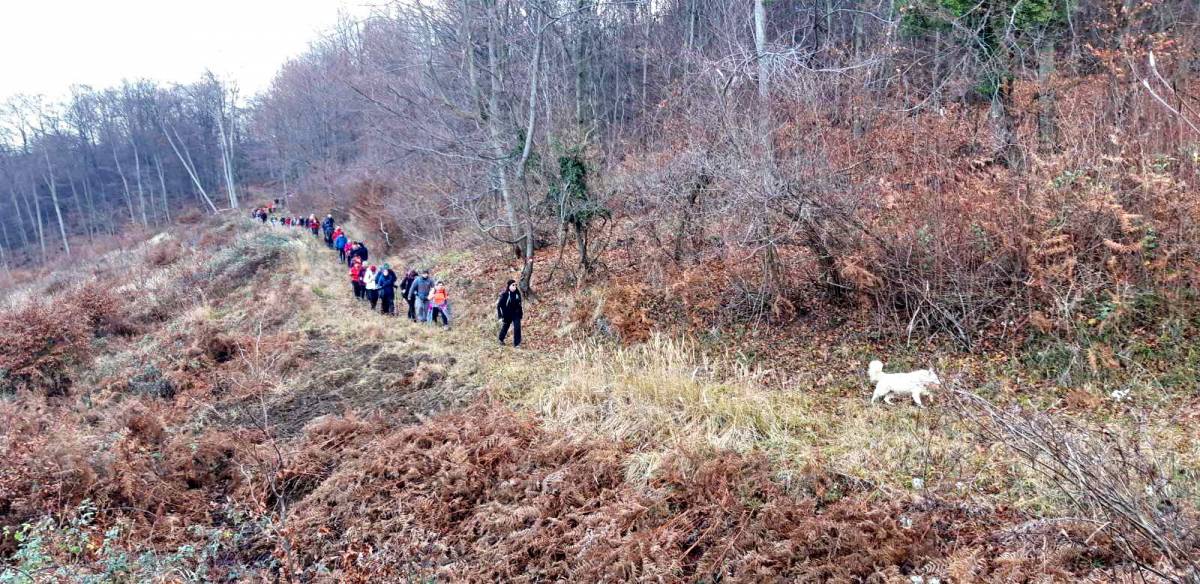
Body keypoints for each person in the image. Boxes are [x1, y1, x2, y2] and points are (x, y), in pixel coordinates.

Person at [497, 279, 523, 347]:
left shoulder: (517, 294)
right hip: (507, 314)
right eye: (513, 285)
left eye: (516, 285)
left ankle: (517, 344)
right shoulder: (505, 295)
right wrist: (500, 316)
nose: (515, 286)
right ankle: (501, 339)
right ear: (509, 286)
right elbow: (499, 306)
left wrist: (520, 313)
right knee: (506, 326)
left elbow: (519, 304)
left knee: (517, 327)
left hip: (516, 314)